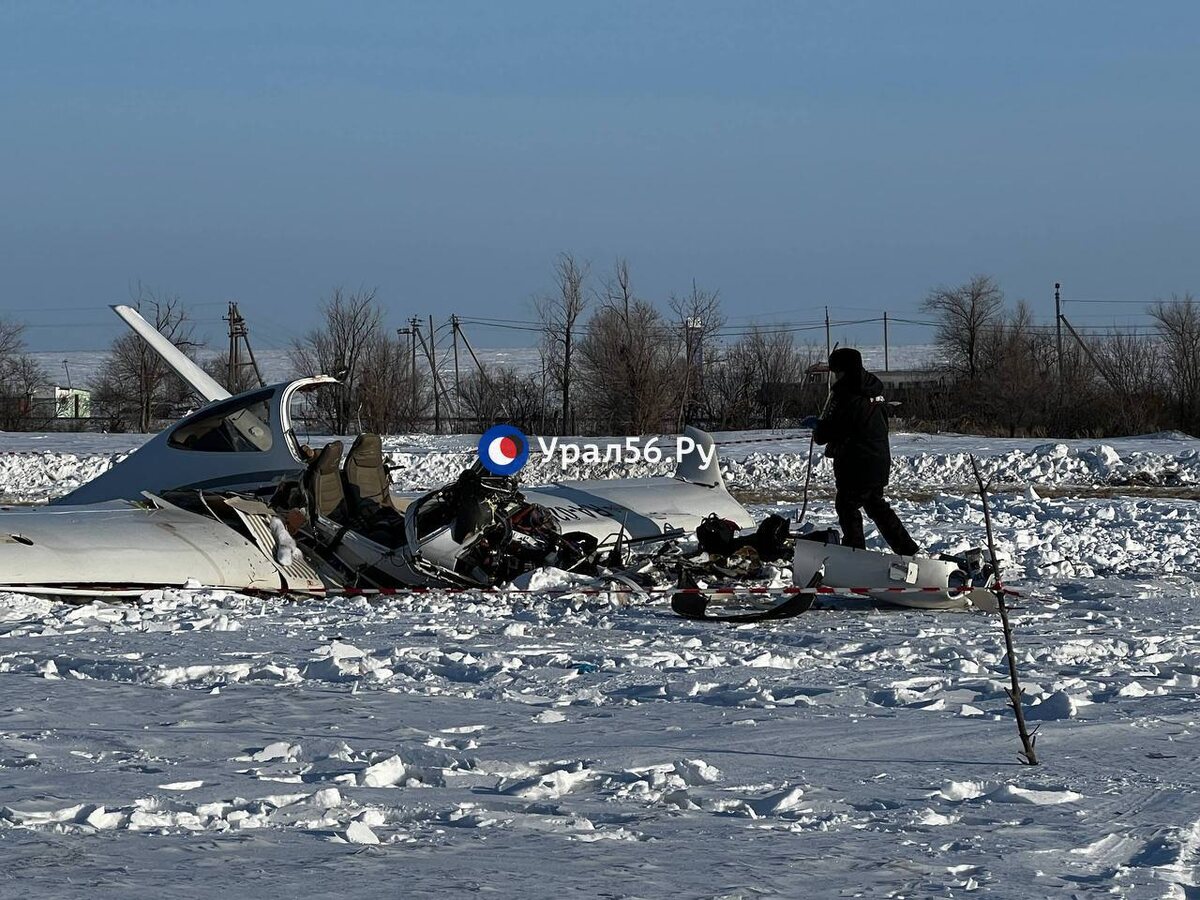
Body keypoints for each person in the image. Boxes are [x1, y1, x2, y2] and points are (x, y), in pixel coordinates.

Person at [813, 347, 919, 556]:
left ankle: (855, 553)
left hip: (856, 463)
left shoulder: (846, 394)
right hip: (878, 460)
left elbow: (832, 430)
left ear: (843, 370)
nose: (835, 377)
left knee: (847, 506)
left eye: (836, 372)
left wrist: (819, 428)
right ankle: (907, 550)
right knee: (875, 505)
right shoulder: (874, 391)